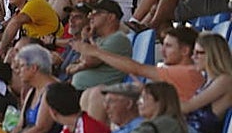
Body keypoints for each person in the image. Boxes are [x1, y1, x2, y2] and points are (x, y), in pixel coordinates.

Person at [76, 25, 205, 103]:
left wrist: (96, 52)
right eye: (163, 45)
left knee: (98, 95)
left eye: (169, 46)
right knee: (95, 93)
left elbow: (137, 69)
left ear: (185, 50)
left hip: (172, 128)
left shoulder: (188, 72)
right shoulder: (181, 71)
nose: (162, 51)